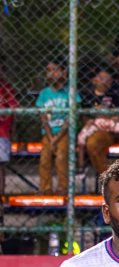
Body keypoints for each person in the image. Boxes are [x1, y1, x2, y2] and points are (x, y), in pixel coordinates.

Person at [78, 63, 119, 176]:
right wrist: (88, 119)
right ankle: (108, 178)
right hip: (102, 128)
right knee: (92, 143)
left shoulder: (114, 95)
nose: (104, 82)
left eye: (108, 79)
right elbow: (84, 114)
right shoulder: (88, 96)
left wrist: (114, 115)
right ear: (94, 80)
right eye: (101, 78)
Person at [35, 59, 72, 194]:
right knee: (44, 158)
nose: (51, 74)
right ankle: (45, 189)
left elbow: (71, 118)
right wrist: (51, 137)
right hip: (49, 133)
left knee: (61, 157)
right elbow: (43, 118)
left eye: (55, 70)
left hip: (65, 132)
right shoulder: (44, 93)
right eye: (49, 71)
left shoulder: (70, 91)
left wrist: (59, 136)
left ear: (64, 72)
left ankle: (63, 188)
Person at [0, 58, 17, 199]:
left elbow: (14, 111)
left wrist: (13, 131)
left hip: (1, 133)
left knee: (0, 168)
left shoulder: (6, 88)